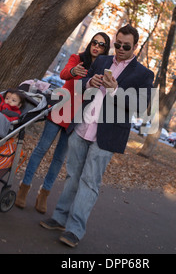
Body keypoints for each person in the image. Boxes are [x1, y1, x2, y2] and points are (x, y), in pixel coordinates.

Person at [40, 24, 154, 247]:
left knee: (90, 182)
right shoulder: (101, 61)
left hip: (107, 136)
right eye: (117, 44)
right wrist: (89, 82)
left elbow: (141, 106)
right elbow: (81, 85)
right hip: (81, 127)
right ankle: (60, 218)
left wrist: (114, 91)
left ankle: (74, 230)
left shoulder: (143, 74)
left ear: (135, 46)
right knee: (73, 175)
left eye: (126, 46)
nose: (120, 49)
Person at [15, 32, 111, 213]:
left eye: (102, 44)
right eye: (95, 42)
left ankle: (44, 194)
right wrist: (74, 71)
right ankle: (24, 187)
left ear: (105, 49)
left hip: (76, 117)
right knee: (41, 149)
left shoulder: (101, 70)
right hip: (60, 109)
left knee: (59, 158)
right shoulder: (78, 58)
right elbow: (64, 73)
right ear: (90, 44)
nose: (96, 46)